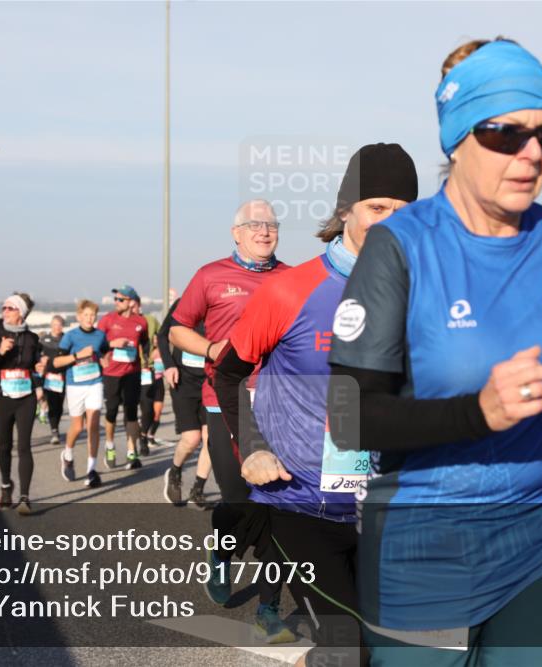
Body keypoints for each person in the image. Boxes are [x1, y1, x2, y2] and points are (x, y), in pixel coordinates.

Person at [326, 38, 542, 666]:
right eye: (505, 134)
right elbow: (349, 415)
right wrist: (477, 413)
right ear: (457, 139)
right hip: (423, 542)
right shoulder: (402, 246)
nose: (531, 153)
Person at [214, 143, 418, 666]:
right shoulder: (289, 291)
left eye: (403, 211)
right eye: (377, 208)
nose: (390, 222)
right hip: (301, 505)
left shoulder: (420, 292)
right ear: (346, 209)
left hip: (385, 509)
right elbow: (230, 371)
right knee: (350, 649)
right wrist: (253, 449)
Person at [169, 199, 294, 643]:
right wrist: (209, 349)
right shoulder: (210, 275)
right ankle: (222, 554)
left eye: (271, 224)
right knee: (240, 499)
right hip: (224, 402)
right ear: (236, 233)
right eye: (255, 224)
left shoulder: (291, 278)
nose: (264, 231)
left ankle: (268, 606)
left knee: (280, 504)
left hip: (279, 405)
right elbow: (177, 328)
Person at [0, 293, 49, 515]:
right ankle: (6, 485)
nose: (5, 311)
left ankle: (25, 497)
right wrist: (0, 352)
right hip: (1, 396)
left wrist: (40, 369)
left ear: (20, 312)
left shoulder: (31, 338)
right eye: (3, 308)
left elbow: (36, 365)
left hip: (25, 397)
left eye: (9, 308)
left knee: (24, 446)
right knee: (4, 446)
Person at [52, 300, 126, 488]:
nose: (89, 319)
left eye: (92, 315)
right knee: (77, 427)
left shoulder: (100, 336)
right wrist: (78, 356)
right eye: (85, 315)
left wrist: (104, 360)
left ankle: (91, 470)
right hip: (75, 385)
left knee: (93, 424)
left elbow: (102, 354)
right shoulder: (70, 336)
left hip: (94, 383)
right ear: (79, 317)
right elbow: (57, 362)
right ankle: (67, 454)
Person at [159, 298, 213, 509]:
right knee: (192, 439)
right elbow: (163, 336)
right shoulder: (184, 303)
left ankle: (197, 490)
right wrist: (169, 365)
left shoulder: (225, 305)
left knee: (211, 439)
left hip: (210, 381)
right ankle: (175, 470)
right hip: (183, 381)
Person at [98, 286, 149, 471]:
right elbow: (97, 342)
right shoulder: (108, 320)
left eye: (120, 299)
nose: (116, 302)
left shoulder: (141, 322)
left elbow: (145, 340)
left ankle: (131, 451)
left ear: (131, 302)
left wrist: (146, 358)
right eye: (116, 299)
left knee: (131, 412)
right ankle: (110, 445)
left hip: (132, 372)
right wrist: (112, 345)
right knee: (111, 411)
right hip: (112, 373)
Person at [136, 302, 165, 456]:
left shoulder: (151, 321)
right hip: (136, 373)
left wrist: (159, 349)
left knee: (154, 411)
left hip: (154, 375)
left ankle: (146, 435)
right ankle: (140, 438)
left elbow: (163, 337)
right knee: (142, 411)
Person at [39, 315, 68, 445]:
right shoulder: (44, 340)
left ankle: (55, 423)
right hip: (48, 376)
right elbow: (37, 355)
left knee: (59, 406)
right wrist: (42, 360)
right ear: (51, 325)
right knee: (51, 402)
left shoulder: (66, 339)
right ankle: (54, 430)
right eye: (55, 325)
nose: (57, 327)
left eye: (59, 325)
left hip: (62, 376)